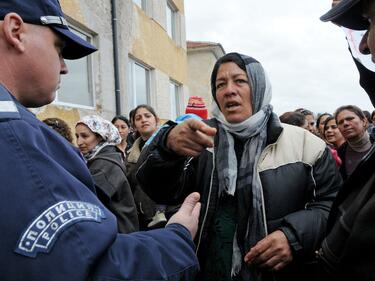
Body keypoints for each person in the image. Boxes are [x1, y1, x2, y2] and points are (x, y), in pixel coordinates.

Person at [0, 1, 200, 280]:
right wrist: (178, 237)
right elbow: (90, 265)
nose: (64, 67)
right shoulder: (14, 136)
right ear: (15, 30)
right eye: (59, 48)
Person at [136, 52, 341, 281]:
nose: (229, 90)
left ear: (259, 86)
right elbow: (157, 189)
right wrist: (167, 147)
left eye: (240, 81)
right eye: (220, 84)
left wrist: (293, 237)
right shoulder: (199, 139)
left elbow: (332, 205)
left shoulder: (306, 145)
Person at [319, 0, 375, 280]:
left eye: (372, 21)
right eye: (338, 123)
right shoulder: (334, 159)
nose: (364, 45)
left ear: (365, 121)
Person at [75, 115, 139, 233]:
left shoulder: (104, 166)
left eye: (85, 136)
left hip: (119, 235)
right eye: (77, 136)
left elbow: (85, 201)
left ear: (101, 137)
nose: (79, 142)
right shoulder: (103, 159)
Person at [126, 104, 168, 229]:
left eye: (147, 116)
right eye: (138, 118)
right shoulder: (130, 155)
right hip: (143, 217)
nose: (143, 120)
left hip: (170, 215)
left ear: (156, 120)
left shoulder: (170, 145)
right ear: (134, 126)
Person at [335, 105, 373, 180]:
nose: (345, 123)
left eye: (350, 119)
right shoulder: (339, 154)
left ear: (364, 121)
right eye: (340, 122)